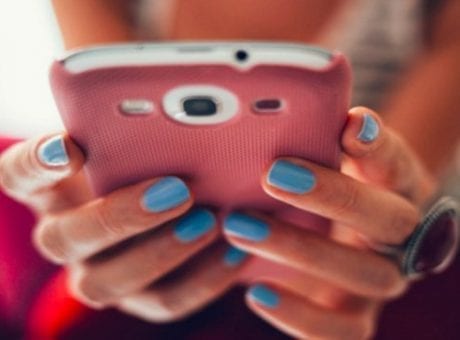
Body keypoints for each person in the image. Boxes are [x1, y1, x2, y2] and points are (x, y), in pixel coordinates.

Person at [0, 0, 459, 339]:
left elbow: (398, 189)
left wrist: (395, 234)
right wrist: (91, 213)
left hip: (339, 280)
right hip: (180, 261)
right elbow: (107, 128)